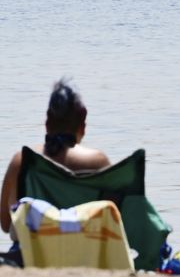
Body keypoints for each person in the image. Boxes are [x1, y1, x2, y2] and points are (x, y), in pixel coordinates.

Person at [1, 80, 111, 235]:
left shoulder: (22, 161)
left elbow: (5, 223)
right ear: (83, 126)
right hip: (85, 256)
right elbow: (118, 219)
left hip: (32, 257)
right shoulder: (98, 163)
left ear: (47, 122)